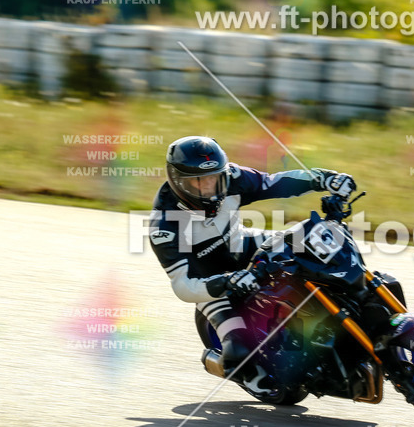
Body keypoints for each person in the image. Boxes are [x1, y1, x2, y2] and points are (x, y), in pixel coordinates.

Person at [148, 135, 355, 383]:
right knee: (239, 354)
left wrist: (324, 178)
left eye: (214, 179)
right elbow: (183, 286)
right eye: (199, 182)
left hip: (242, 244)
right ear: (178, 182)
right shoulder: (164, 226)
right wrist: (227, 282)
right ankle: (237, 363)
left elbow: (276, 182)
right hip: (212, 283)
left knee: (318, 246)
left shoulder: (232, 178)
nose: (209, 188)